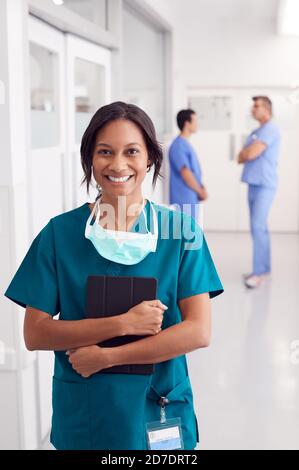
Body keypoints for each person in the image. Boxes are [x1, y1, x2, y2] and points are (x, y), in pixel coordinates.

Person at [4, 101, 223, 450]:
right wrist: (123, 323)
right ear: (90, 157)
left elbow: (199, 331)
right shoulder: (60, 234)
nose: (118, 164)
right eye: (105, 151)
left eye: (131, 151)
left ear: (149, 157)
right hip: (88, 412)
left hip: (158, 404)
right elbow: (36, 333)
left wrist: (108, 357)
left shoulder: (181, 233)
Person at [238, 96, 280, 288]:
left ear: (267, 109)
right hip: (253, 184)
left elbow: (250, 153)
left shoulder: (270, 129)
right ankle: (264, 269)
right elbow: (241, 156)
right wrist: (245, 152)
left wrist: (246, 152)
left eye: (256, 106)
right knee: (259, 228)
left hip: (264, 185)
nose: (252, 109)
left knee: (258, 226)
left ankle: (259, 273)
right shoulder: (257, 131)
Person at [168, 109, 208, 221]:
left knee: (189, 232)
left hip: (190, 196)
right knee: (185, 233)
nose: (197, 124)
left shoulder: (184, 144)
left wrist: (201, 187)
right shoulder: (178, 146)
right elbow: (185, 172)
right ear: (187, 123)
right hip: (183, 199)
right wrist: (200, 191)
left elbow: (193, 171)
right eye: (195, 121)